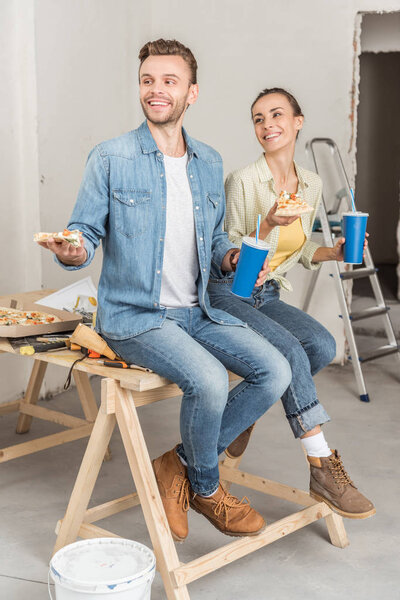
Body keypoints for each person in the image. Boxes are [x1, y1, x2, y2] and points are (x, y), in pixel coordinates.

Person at [38, 43, 293, 541]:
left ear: (191, 93)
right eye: (148, 80)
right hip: (136, 317)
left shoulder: (207, 161)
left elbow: (215, 239)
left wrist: (231, 257)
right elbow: (83, 234)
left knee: (275, 371)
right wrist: (72, 251)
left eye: (169, 81)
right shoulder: (110, 157)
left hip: (196, 311)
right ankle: (206, 486)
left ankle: (175, 466)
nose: (156, 90)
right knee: (211, 380)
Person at [208, 87, 375, 519]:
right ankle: (321, 463)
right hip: (230, 291)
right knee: (288, 350)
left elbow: (299, 250)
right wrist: (265, 223)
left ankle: (247, 409)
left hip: (269, 293)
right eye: (259, 119)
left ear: (298, 122)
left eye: (277, 115)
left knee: (320, 344)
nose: (267, 126)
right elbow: (225, 250)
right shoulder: (243, 182)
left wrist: (334, 253)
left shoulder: (312, 184)